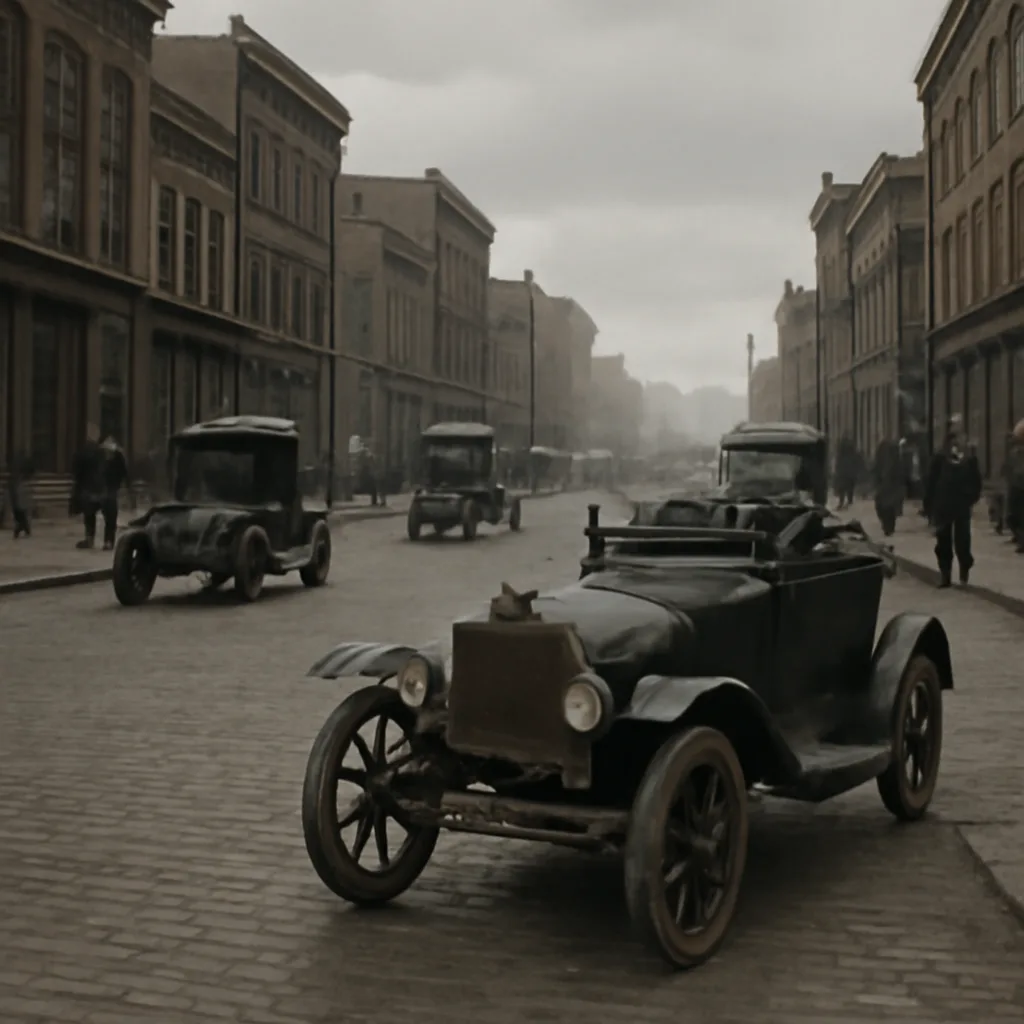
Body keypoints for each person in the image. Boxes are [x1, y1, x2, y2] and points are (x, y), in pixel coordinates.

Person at [923, 417, 982, 587]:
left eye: (958, 438)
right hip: (943, 506)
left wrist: (971, 498)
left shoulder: (969, 459)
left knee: (963, 541)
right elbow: (931, 482)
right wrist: (929, 506)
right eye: (952, 439)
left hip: (962, 506)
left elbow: (976, 481)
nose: (955, 443)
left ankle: (964, 572)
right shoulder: (940, 458)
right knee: (943, 542)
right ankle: (945, 575)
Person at [71, 424, 104, 549]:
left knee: (89, 514)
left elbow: (76, 470)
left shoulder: (83, 452)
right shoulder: (101, 452)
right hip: (99, 487)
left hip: (87, 487)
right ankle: (108, 540)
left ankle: (89, 538)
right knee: (102, 513)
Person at [99, 436, 128, 551]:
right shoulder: (101, 457)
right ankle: (106, 540)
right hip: (102, 489)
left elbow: (123, 472)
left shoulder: (117, 457)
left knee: (110, 516)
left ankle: (109, 541)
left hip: (111, 489)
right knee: (107, 515)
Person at [872, 438, 904, 537]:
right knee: (888, 507)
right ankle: (889, 526)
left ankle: (888, 526)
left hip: (887, 487)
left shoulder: (892, 460)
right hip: (888, 487)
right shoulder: (895, 459)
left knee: (884, 507)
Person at [7, 452, 33, 539]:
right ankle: (23, 529)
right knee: (21, 516)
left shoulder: (17, 480)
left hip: (18, 500)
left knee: (21, 516)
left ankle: (23, 529)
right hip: (18, 500)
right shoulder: (16, 480)